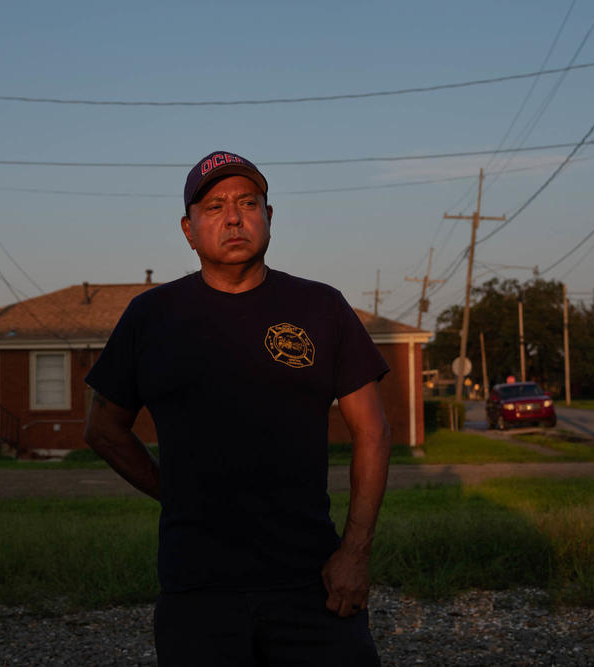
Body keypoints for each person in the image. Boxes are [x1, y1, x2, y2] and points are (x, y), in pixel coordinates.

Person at [84, 150, 391, 666]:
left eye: (248, 202)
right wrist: (172, 493)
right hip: (196, 585)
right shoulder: (152, 317)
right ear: (188, 228)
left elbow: (373, 433)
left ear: (270, 217)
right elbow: (103, 429)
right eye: (213, 206)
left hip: (311, 578)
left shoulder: (320, 307)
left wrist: (354, 554)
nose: (233, 217)